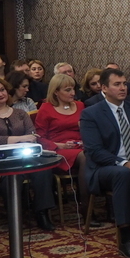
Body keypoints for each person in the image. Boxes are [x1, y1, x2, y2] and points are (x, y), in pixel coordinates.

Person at [80, 68, 130, 258]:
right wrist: (125, 164)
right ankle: (126, 238)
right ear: (104, 88)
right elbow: (95, 152)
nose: (123, 88)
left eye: (124, 84)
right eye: (117, 84)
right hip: (105, 168)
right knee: (122, 174)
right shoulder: (91, 113)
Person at [0, 77, 55, 230]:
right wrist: (18, 139)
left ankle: (42, 213)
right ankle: (16, 214)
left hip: (25, 156)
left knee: (43, 171)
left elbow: (32, 134)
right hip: (1, 162)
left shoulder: (20, 113)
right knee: (10, 178)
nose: (0, 94)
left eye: (2, 90)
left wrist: (23, 139)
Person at [34, 74, 95, 222]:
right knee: (85, 156)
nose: (73, 93)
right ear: (56, 91)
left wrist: (86, 138)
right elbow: (39, 137)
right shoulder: (46, 108)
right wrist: (58, 145)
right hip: (58, 150)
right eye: (67, 90)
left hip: (81, 146)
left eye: (73, 89)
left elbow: (88, 128)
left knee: (93, 153)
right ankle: (86, 208)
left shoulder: (80, 105)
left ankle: (107, 204)